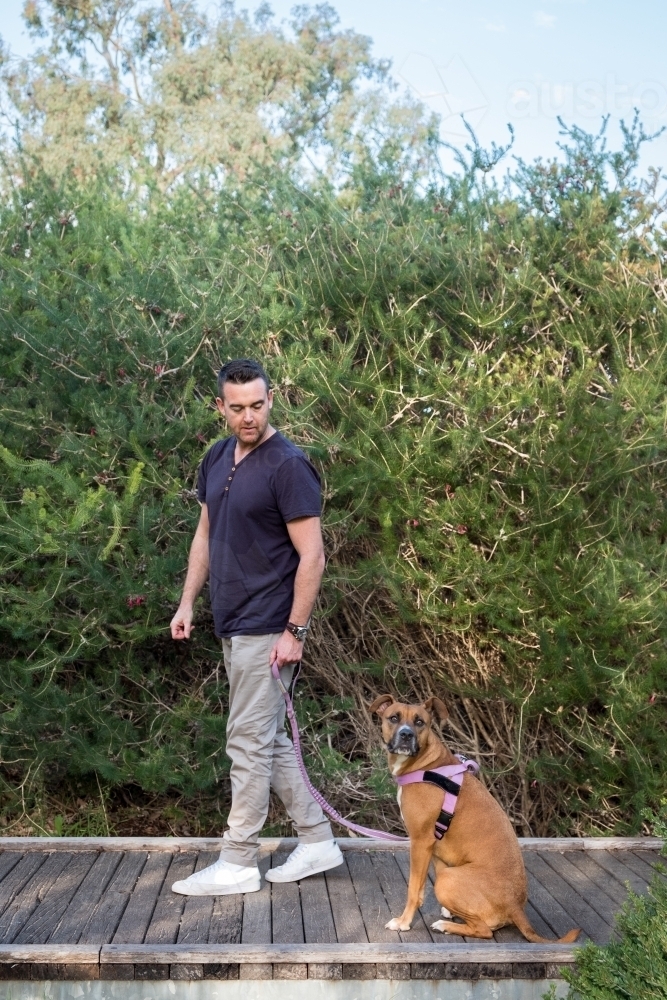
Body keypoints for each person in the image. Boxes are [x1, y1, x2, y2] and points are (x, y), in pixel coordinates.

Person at [169, 358, 343, 895]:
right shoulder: (217, 457)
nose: (249, 417)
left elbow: (312, 557)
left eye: (258, 405)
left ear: (272, 400)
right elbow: (205, 535)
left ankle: (239, 860)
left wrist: (296, 631)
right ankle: (317, 841)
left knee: (246, 741)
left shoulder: (287, 466)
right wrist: (187, 602)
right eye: (237, 407)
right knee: (267, 742)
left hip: (269, 626)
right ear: (220, 407)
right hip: (232, 621)